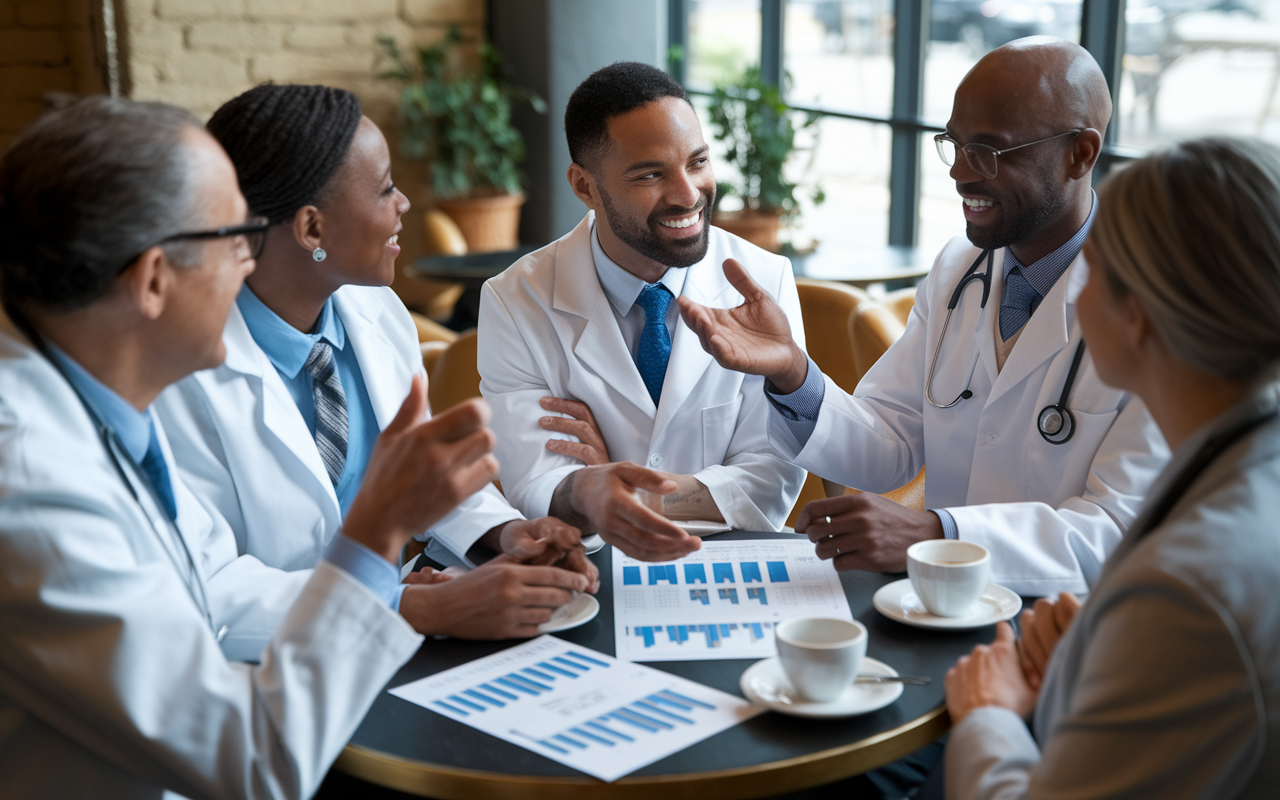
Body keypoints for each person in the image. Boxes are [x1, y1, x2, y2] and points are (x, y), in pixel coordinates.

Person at [0, 96, 499, 798]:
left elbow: (198, 588)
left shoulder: (95, 405)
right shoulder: (31, 487)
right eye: (236, 238)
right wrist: (376, 531)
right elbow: (255, 762)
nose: (250, 264)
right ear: (152, 280)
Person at [679, 37, 1169, 595]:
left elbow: (1117, 531)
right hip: (934, 606)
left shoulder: (1156, 311)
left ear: (1080, 153)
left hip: (1066, 626)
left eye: (988, 151)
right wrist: (793, 373)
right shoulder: (959, 268)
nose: (960, 173)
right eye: (954, 144)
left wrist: (934, 533)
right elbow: (889, 442)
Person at [154, 84, 595, 660]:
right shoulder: (177, 376)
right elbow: (211, 590)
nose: (404, 203)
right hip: (272, 676)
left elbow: (419, 481)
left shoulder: (377, 314)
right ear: (312, 230)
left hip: (397, 642)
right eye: (386, 187)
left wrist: (505, 532)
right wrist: (405, 605)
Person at [942, 136, 1280, 799]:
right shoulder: (1244, 461)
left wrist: (988, 713)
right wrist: (1102, 645)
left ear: (1139, 316)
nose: (1072, 296)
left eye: (1088, 274)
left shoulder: (1184, 592)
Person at [477, 62, 806, 561]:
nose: (687, 194)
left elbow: (773, 472)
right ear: (585, 186)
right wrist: (598, 493)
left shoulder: (766, 278)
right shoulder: (514, 299)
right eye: (650, 174)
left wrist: (618, 491)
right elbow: (534, 480)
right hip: (593, 568)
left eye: (697, 162)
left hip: (727, 562)